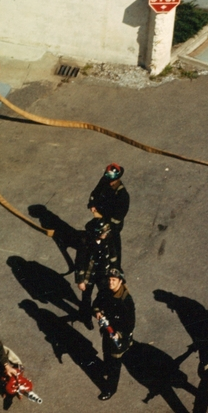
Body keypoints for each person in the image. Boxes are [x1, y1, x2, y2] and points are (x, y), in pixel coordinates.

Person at [92, 267, 135, 401]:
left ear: (120, 281)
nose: (111, 283)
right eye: (109, 280)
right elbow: (96, 304)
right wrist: (97, 312)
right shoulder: (105, 291)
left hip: (118, 337)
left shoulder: (125, 300)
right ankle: (106, 369)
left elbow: (130, 323)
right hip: (107, 331)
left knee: (115, 364)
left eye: (114, 280)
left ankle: (111, 389)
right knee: (106, 353)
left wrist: (119, 335)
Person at [75, 218, 119, 330]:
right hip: (89, 275)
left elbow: (113, 253)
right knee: (86, 298)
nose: (106, 234)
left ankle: (101, 313)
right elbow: (79, 262)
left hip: (103, 272)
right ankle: (86, 317)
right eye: (104, 232)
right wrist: (80, 280)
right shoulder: (85, 242)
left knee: (105, 294)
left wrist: (114, 270)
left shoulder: (108, 238)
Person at [88, 163, 130, 265]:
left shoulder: (122, 195)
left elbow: (118, 216)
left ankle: (116, 267)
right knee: (90, 230)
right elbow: (95, 193)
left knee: (114, 244)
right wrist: (92, 204)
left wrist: (107, 225)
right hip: (101, 216)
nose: (110, 182)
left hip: (113, 223)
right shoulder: (104, 181)